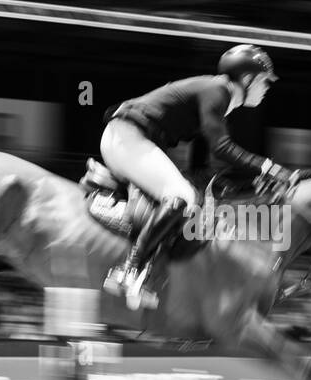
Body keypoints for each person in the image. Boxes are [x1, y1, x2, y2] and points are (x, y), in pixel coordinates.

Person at [99, 44, 294, 308]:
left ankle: (143, 273)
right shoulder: (218, 90)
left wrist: (248, 175)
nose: (267, 88)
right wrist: (268, 167)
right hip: (127, 137)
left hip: (130, 138)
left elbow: (207, 154)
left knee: (189, 197)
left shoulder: (218, 96)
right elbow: (222, 148)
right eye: (264, 82)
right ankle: (128, 270)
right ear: (247, 79)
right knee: (182, 197)